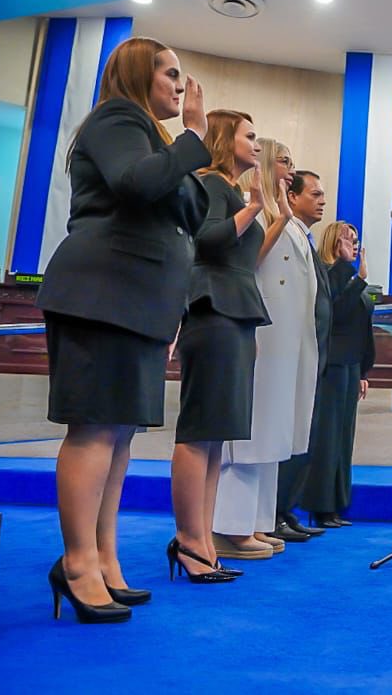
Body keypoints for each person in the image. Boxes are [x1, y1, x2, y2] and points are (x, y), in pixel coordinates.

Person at [35, 36, 210, 622]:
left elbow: (188, 215)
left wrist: (185, 152)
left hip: (138, 302)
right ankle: (78, 561)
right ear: (139, 75)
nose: (179, 85)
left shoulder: (154, 139)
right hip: (101, 293)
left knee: (118, 437)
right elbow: (136, 185)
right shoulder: (116, 119)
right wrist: (193, 140)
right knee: (94, 432)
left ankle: (104, 556)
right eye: (169, 73)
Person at [169, 110, 271, 584]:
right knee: (199, 431)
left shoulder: (229, 189)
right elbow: (206, 239)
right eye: (250, 135)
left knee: (215, 435)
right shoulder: (210, 182)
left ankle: (203, 538)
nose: (257, 143)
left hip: (235, 310)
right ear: (226, 139)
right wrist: (251, 207)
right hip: (213, 308)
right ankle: (190, 541)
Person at [213, 139, 318, 558]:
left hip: (288, 339)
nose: (291, 170)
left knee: (274, 434)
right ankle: (229, 525)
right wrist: (276, 215)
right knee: (252, 434)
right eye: (284, 161)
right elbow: (247, 261)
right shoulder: (253, 210)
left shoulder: (287, 219)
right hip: (262, 335)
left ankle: (257, 521)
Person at [273, 170, 333, 540]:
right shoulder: (286, 233)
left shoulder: (306, 239)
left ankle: (285, 509)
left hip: (314, 353)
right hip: (289, 352)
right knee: (285, 435)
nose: (322, 200)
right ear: (292, 198)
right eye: (315, 194)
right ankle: (275, 511)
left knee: (303, 437)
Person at [303, 221, 374, 528]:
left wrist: (363, 369)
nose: (354, 245)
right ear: (334, 241)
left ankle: (335, 505)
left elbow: (360, 326)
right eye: (348, 239)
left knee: (344, 438)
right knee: (328, 438)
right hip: (331, 364)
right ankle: (321, 506)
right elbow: (336, 314)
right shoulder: (327, 273)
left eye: (356, 240)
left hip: (350, 364)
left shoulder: (347, 275)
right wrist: (356, 275)